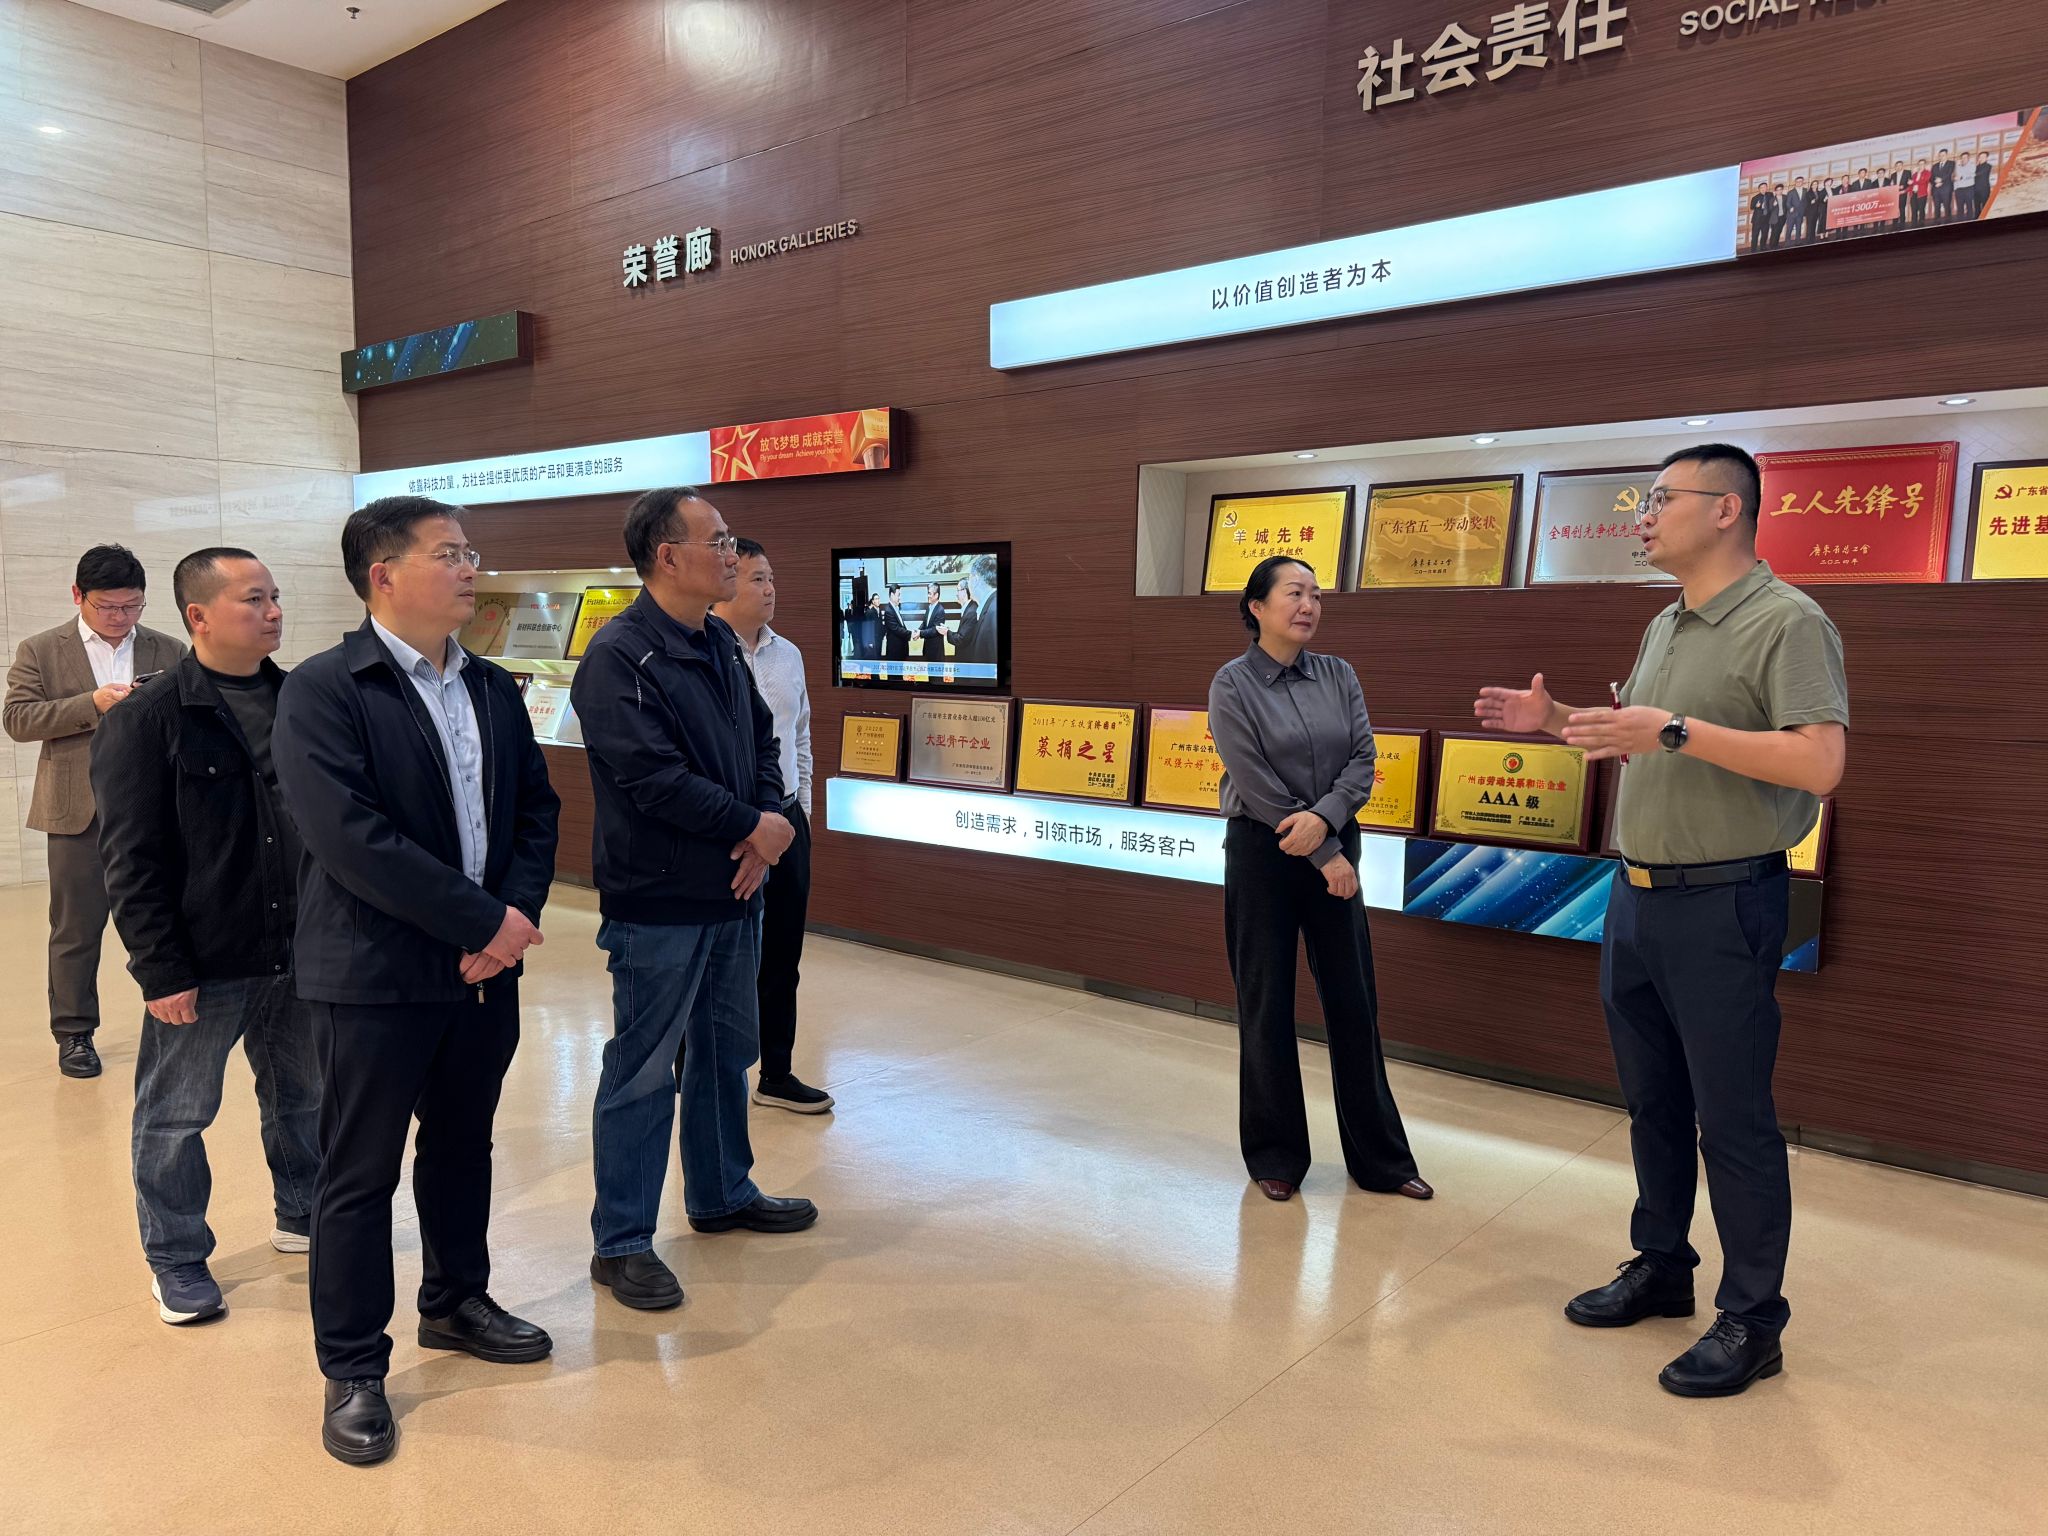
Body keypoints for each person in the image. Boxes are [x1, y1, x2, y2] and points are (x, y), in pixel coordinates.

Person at [1473, 443, 1847, 1399]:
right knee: (1653, 1102)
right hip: (1635, 897)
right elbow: (1642, 744)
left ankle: (1753, 1318)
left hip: (1726, 900)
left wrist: (1676, 729)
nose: (1642, 515)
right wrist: (1555, 720)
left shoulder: (1789, 620)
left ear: (1726, 510)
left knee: (1734, 1117)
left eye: (1661, 499)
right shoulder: (1665, 621)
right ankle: (1663, 1265)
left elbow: (1819, 764)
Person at [274, 496, 561, 1467]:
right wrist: (484, 923)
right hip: (373, 974)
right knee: (358, 1174)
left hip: (482, 973)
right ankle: (354, 1367)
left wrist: (511, 920)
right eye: (450, 553)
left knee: (462, 1146)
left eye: (471, 551)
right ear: (383, 573)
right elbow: (352, 840)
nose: (471, 567)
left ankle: (456, 1300)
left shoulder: (491, 685)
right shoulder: (325, 689)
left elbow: (536, 811)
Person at [574, 487, 818, 1317]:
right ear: (666, 556)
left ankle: (721, 1193)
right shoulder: (619, 656)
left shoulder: (716, 640)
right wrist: (752, 827)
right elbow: (652, 779)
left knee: (724, 1051)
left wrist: (767, 828)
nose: (731, 554)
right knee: (643, 1069)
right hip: (659, 899)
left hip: (734, 888)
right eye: (716, 541)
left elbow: (762, 743)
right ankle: (621, 1242)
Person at [92, 549, 319, 1327]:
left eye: (275, 597)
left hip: (299, 949)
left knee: (303, 1096)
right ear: (199, 615)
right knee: (176, 1115)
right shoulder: (147, 718)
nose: (273, 611)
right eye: (253, 599)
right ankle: (177, 1255)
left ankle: (303, 1213)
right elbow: (131, 859)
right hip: (204, 958)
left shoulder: (302, 702)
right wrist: (160, 970)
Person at [1208, 555, 1432, 1207]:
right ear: (1257, 607)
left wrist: (1327, 825)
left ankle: (1382, 1161)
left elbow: (1363, 760)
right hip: (1263, 849)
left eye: (1315, 595)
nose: (1308, 605)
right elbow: (1251, 778)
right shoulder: (1232, 684)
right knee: (1266, 1001)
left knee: (1354, 1000)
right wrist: (1324, 850)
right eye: (1294, 593)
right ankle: (1275, 1155)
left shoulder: (1339, 674)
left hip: (1333, 842)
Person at [4, 544, 184, 1079]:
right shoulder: (41, 649)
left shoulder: (168, 648)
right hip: (77, 813)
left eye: (132, 606)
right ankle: (74, 1033)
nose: (121, 617)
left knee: (167, 918)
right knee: (76, 931)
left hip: (155, 808)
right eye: (108, 606)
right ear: (78, 595)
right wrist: (93, 704)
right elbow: (18, 719)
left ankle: (178, 1018)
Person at [711, 537, 831, 1114]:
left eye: (771, 578)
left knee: (783, 954)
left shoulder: (788, 655)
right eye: (757, 578)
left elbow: (800, 735)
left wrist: (800, 810)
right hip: (728, 827)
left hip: (785, 820)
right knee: (720, 956)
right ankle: (699, 1067)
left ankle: (776, 1073)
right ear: (726, 582)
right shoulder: (704, 652)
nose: (769, 589)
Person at [880, 583, 913, 663]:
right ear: (892, 595)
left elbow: (901, 626)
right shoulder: (889, 611)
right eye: (898, 595)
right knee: (895, 671)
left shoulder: (895, 608)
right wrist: (911, 634)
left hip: (900, 650)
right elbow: (896, 629)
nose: (900, 598)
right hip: (894, 652)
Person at [917, 581, 949, 663]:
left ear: (936, 595)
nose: (928, 596)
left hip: (936, 653)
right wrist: (917, 631)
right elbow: (925, 623)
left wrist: (920, 633)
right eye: (928, 593)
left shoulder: (940, 610)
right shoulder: (929, 607)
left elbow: (935, 630)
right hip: (927, 650)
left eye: (930, 593)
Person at [1932, 148, 1957, 223]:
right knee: (1936, 208)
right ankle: (1937, 224)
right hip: (1936, 189)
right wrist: (1935, 182)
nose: (1941, 157)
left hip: (1946, 189)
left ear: (1947, 155)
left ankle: (1948, 224)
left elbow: (1949, 173)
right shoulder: (1934, 166)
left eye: (1943, 155)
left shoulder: (1951, 163)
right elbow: (1931, 177)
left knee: (1947, 207)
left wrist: (1941, 180)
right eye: (1940, 155)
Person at [1780, 178, 1806, 247]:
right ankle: (1787, 242)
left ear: (1803, 182)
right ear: (1795, 182)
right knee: (1789, 229)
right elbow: (1787, 203)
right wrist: (1790, 207)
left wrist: (1804, 212)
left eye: (1800, 181)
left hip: (1800, 213)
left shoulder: (1805, 190)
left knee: (1799, 228)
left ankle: (1798, 241)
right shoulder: (1791, 192)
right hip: (1791, 214)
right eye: (1797, 181)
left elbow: (1805, 202)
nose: (1799, 182)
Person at [1971, 151, 1995, 219]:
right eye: (1980, 157)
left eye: (1983, 157)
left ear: (1986, 158)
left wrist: (1972, 173)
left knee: (1985, 207)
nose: (1981, 158)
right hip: (1975, 190)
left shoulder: (1988, 166)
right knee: (1976, 207)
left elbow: (1979, 173)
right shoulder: (1976, 167)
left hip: (1984, 190)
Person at [1909, 161, 1931, 225]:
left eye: (1922, 164)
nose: (1921, 165)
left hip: (1922, 194)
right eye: (1920, 164)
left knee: (1921, 210)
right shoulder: (1914, 174)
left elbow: (1923, 181)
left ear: (1925, 165)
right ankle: (1913, 226)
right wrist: (1906, 190)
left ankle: (1921, 226)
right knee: (1914, 211)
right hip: (1913, 194)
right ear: (1918, 165)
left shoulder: (1927, 172)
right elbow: (1911, 185)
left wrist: (1913, 182)